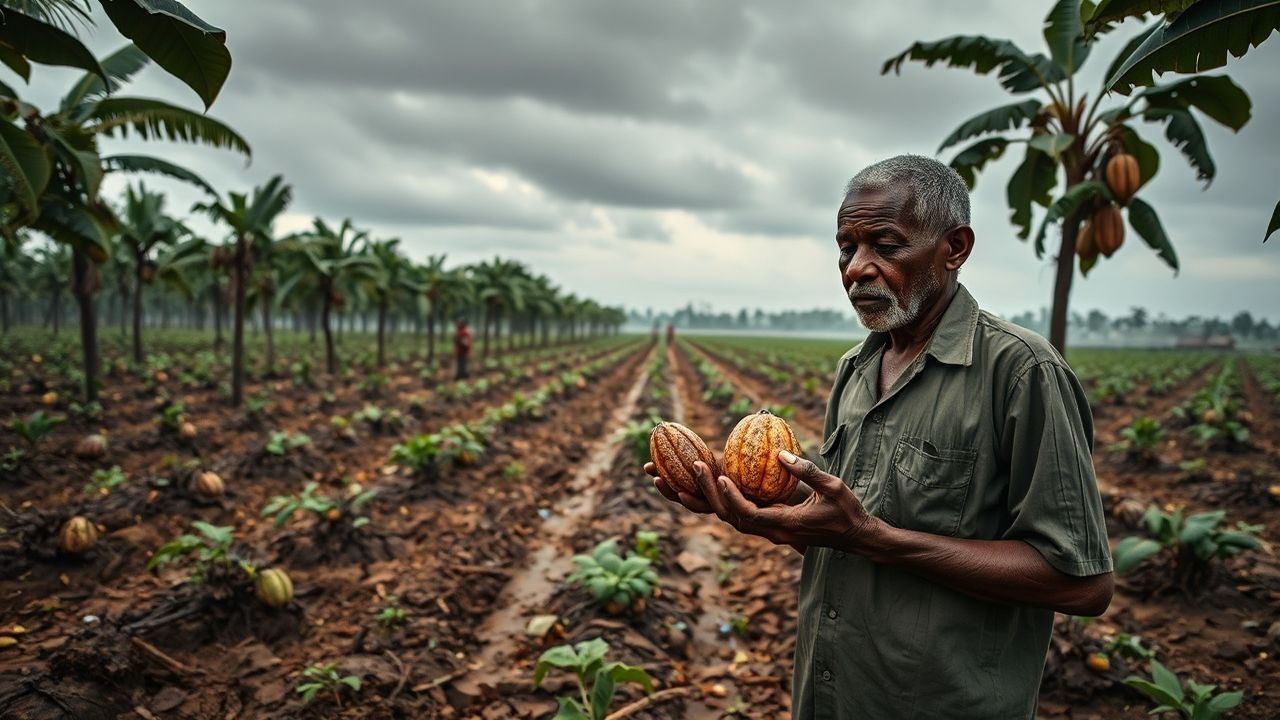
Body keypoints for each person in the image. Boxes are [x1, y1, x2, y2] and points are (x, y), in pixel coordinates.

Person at [646, 155, 1113, 719]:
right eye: (846, 247)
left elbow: (1081, 584)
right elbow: (842, 525)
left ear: (955, 248)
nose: (856, 269)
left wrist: (872, 537)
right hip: (834, 695)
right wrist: (760, 505)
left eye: (885, 246)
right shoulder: (857, 368)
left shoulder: (1020, 371)